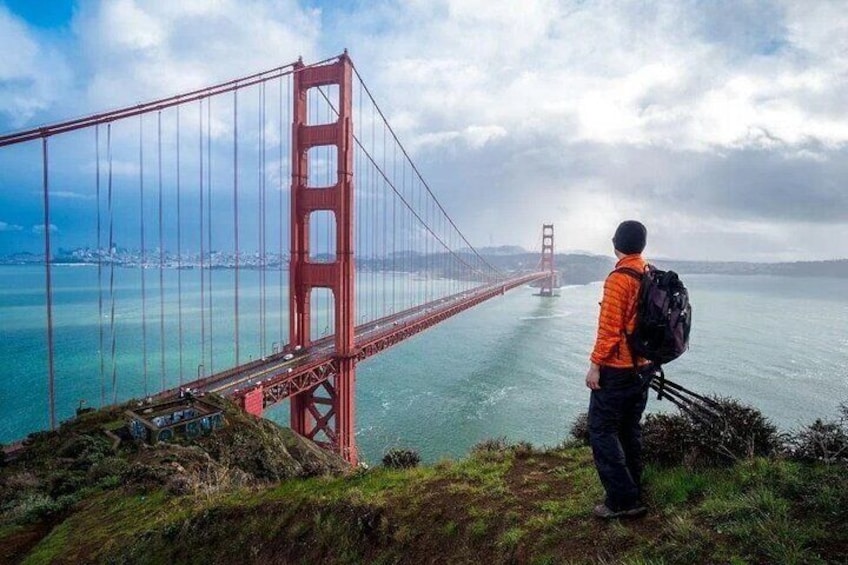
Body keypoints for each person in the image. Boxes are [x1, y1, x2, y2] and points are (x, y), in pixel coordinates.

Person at [586, 220, 654, 519]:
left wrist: (595, 367)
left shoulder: (619, 278)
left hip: (618, 369)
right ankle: (633, 486)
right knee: (629, 427)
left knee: (601, 430)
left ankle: (623, 500)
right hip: (644, 367)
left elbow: (610, 330)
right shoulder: (648, 272)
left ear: (615, 244)